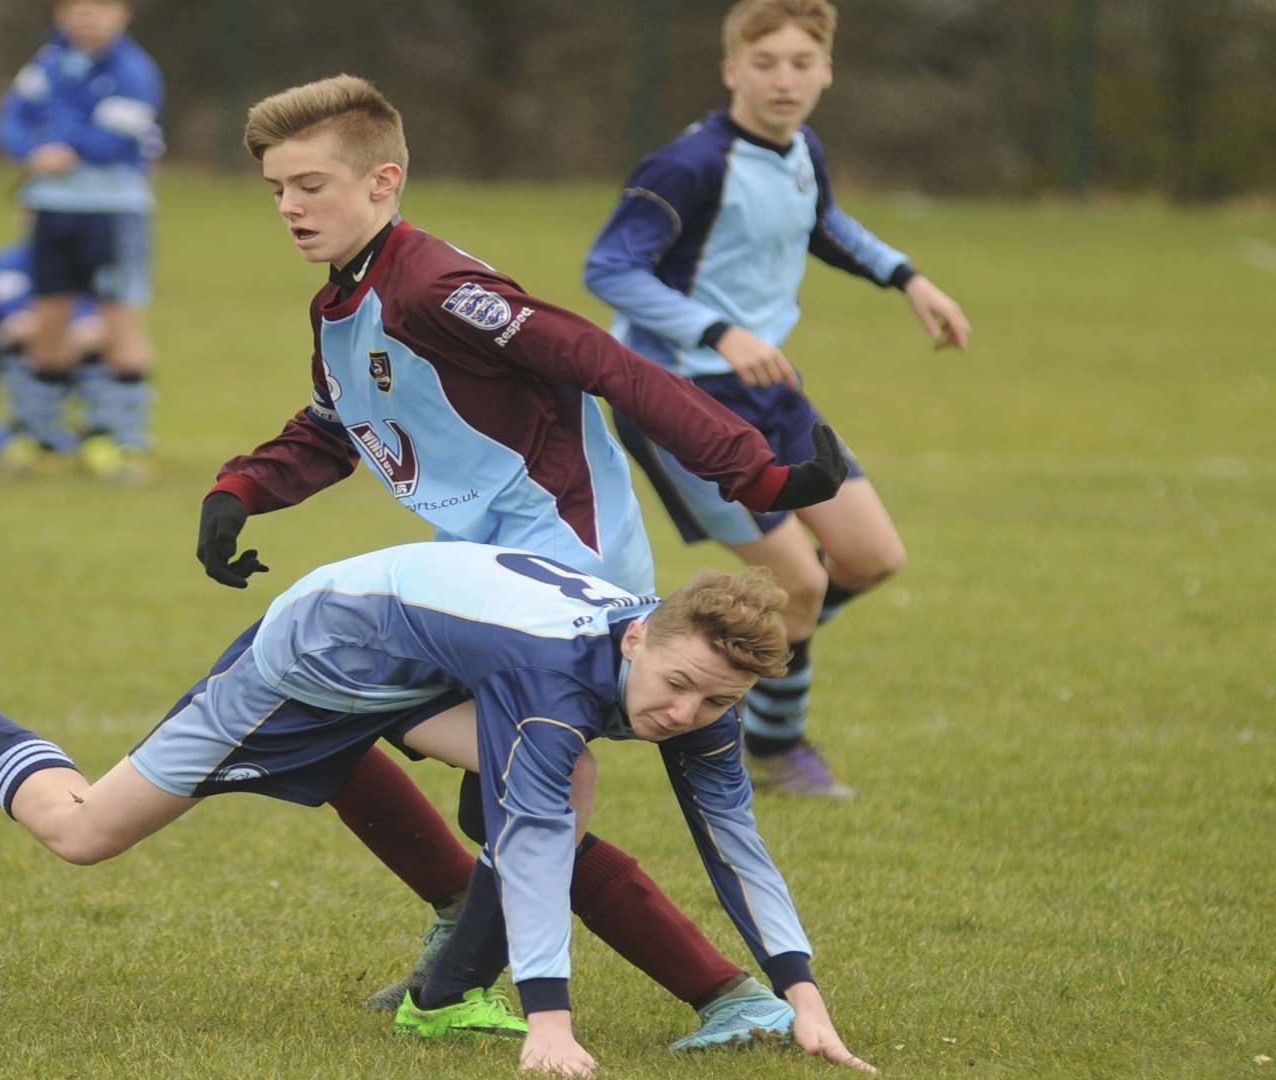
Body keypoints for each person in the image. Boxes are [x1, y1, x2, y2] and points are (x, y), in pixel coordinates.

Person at [190, 73, 856, 1055]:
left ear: (382, 181)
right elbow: (340, 427)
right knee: (385, 734)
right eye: (276, 188)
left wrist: (750, 469)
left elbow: (602, 362)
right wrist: (240, 491)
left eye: (309, 184)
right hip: (479, 570)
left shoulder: (439, 288)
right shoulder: (345, 302)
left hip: (563, 574)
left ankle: (590, 981)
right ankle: (490, 954)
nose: (288, 206)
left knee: (449, 758)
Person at [0, 542, 875, 1076]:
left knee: (571, 782)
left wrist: (804, 994)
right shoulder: (556, 685)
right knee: (80, 832)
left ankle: (442, 999)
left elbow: (734, 841)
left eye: (715, 701)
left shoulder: (699, 686)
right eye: (677, 686)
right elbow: (534, 843)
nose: (686, 714)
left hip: (431, 657)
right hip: (317, 658)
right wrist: (553, 1025)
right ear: (639, 636)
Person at [583, 0, 972, 798]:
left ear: (827, 69)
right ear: (733, 71)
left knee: (870, 558)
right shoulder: (687, 165)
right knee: (801, 586)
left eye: (801, 63)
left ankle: (736, 664)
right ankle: (762, 744)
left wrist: (909, 278)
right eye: (765, 64)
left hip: (768, 386)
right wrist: (718, 330)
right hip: (679, 399)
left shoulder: (801, 151)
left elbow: (821, 221)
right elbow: (610, 270)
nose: (784, 80)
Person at [0, 0, 163, 481]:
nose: (86, 18)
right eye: (76, 8)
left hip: (112, 212)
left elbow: (115, 138)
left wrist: (67, 150)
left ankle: (122, 441)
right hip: (51, 209)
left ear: (123, 14)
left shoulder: (134, 70)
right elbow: (10, 120)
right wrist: (32, 150)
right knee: (49, 314)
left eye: (99, 9)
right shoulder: (46, 63)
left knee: (119, 316)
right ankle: (37, 435)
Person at [0, 234, 108, 472]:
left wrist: (64, 337)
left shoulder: (91, 263)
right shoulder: (8, 263)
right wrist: (59, 336)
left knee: (107, 350)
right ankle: (30, 439)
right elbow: (13, 325)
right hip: (26, 349)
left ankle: (104, 439)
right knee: (23, 349)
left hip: (77, 345)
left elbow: (106, 322)